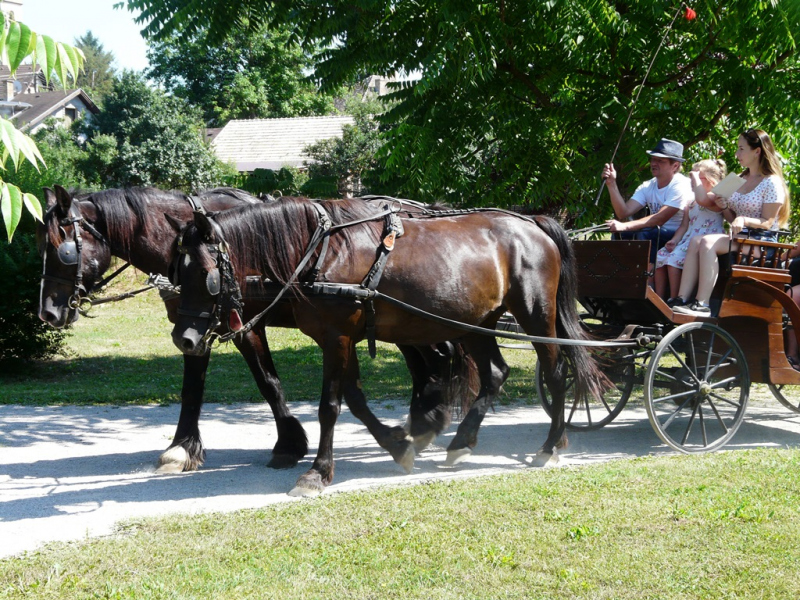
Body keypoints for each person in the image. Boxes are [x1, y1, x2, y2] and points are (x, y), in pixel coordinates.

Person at [673, 129, 791, 316]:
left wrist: (743, 219)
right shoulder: (737, 179)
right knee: (696, 240)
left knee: (707, 242)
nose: (736, 154)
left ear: (757, 151)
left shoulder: (772, 182)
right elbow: (711, 205)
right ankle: (681, 299)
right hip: (739, 238)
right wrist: (724, 207)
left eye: (741, 149)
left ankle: (702, 304)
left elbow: (767, 222)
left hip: (761, 243)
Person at [603, 138, 694, 272]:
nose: (653, 163)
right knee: (620, 234)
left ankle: (645, 277)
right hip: (656, 233)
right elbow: (623, 212)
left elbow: (660, 218)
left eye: (660, 161)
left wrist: (625, 225)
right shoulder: (647, 186)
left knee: (645, 233)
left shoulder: (681, 185)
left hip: (679, 236)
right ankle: (619, 273)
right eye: (653, 159)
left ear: (675, 166)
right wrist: (611, 184)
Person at [654, 159, 727, 302]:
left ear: (711, 180)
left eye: (697, 178)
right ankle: (659, 298)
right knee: (660, 256)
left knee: (673, 260)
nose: (692, 181)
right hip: (688, 240)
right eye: (691, 178)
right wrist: (674, 240)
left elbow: (703, 200)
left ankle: (675, 298)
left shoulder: (713, 198)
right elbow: (684, 226)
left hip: (705, 240)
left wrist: (694, 177)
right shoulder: (690, 202)